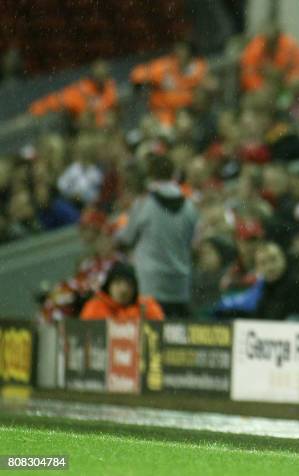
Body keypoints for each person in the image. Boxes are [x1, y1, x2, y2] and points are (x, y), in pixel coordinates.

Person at [116, 155, 199, 318]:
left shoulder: (144, 203)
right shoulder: (190, 206)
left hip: (149, 283)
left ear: (149, 175)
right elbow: (193, 242)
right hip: (180, 283)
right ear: (173, 174)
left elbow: (125, 238)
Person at [130, 40, 208, 125]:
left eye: (184, 50)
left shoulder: (197, 67)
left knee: (186, 123)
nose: (180, 54)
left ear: (190, 53)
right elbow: (138, 74)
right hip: (164, 113)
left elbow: (208, 86)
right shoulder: (165, 67)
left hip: (188, 112)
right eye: (178, 50)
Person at [29, 59, 117, 128]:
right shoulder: (79, 92)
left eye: (105, 76)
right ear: (92, 77)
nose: (103, 81)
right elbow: (57, 100)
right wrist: (38, 108)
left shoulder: (109, 87)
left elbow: (113, 107)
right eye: (99, 77)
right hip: (88, 135)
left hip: (107, 132)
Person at [80, 262, 164, 321]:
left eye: (129, 284)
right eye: (117, 283)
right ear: (108, 286)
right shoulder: (94, 308)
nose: (124, 289)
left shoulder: (147, 307)